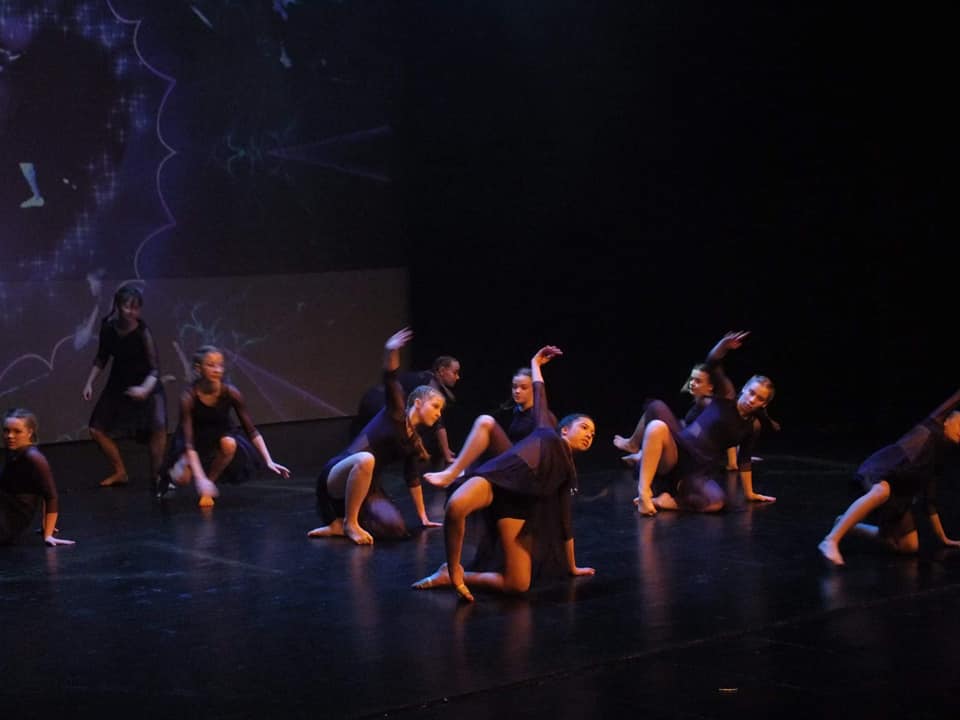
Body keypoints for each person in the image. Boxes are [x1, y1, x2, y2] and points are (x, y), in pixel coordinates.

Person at [413, 345, 595, 602]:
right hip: (499, 480)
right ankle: (453, 566)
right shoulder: (546, 430)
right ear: (564, 430)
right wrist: (535, 364)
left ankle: (452, 575)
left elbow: (566, 520)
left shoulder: (567, 473)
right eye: (585, 427)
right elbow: (540, 392)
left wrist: (572, 566)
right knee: (456, 506)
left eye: (593, 434)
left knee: (518, 584)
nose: (589, 434)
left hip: (517, 507)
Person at [308, 328, 446, 544]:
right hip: (339, 474)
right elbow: (390, 378)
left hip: (367, 486)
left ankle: (338, 524)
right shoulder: (396, 413)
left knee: (396, 529)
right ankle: (350, 523)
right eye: (435, 406)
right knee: (366, 459)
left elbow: (412, 478)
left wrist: (423, 517)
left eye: (440, 410)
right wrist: (390, 350)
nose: (438, 414)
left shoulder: (413, 440)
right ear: (418, 403)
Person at [632, 332, 776, 515]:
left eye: (759, 398)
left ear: (764, 404)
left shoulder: (752, 426)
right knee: (657, 424)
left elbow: (745, 460)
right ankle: (644, 494)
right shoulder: (726, 396)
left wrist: (750, 494)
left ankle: (665, 502)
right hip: (678, 450)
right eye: (751, 392)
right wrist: (723, 346)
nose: (752, 399)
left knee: (716, 503)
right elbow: (712, 361)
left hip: (698, 469)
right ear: (745, 389)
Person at [818, 389, 960, 566]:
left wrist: (944, 539)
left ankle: (847, 523)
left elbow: (929, 503)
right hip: (880, 471)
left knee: (909, 546)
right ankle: (830, 540)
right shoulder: (930, 428)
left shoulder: (938, 458)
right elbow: (953, 401)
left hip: (898, 494)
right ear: (946, 421)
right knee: (882, 491)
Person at [163, 345, 290, 507]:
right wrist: (199, 478)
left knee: (229, 444)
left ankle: (209, 485)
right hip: (194, 438)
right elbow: (189, 443)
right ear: (198, 368)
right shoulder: (188, 398)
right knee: (182, 479)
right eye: (211, 365)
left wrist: (269, 460)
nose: (217, 370)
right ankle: (181, 468)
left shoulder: (231, 392)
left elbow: (251, 430)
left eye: (220, 365)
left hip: (219, 433)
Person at [81, 284, 168, 491]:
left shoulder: (143, 332)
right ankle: (120, 471)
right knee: (96, 428)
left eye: (136, 308)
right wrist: (89, 382)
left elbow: (155, 370)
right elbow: (102, 357)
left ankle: (158, 476)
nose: (131, 312)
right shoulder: (108, 327)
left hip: (147, 384)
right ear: (118, 306)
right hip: (120, 383)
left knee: (158, 427)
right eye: (127, 307)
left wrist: (144, 389)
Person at [421, 366, 557, 488]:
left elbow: (550, 452)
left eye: (523, 387)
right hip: (514, 460)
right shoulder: (517, 411)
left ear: (534, 390)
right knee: (481, 441)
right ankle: (463, 473)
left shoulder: (543, 417)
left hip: (526, 469)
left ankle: (453, 473)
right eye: (514, 387)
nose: (517, 391)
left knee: (485, 421)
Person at [352, 354, 461, 467]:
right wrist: (446, 454)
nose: (457, 377)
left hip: (373, 403)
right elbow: (439, 425)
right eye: (455, 372)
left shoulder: (428, 379)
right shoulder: (430, 385)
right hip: (377, 403)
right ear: (442, 371)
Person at [1, 408, 75, 547]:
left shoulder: (34, 458)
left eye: (17, 431)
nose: (10, 436)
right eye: (6, 431)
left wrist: (48, 533)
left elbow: (50, 496)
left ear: (30, 432)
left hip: (10, 518)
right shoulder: (13, 450)